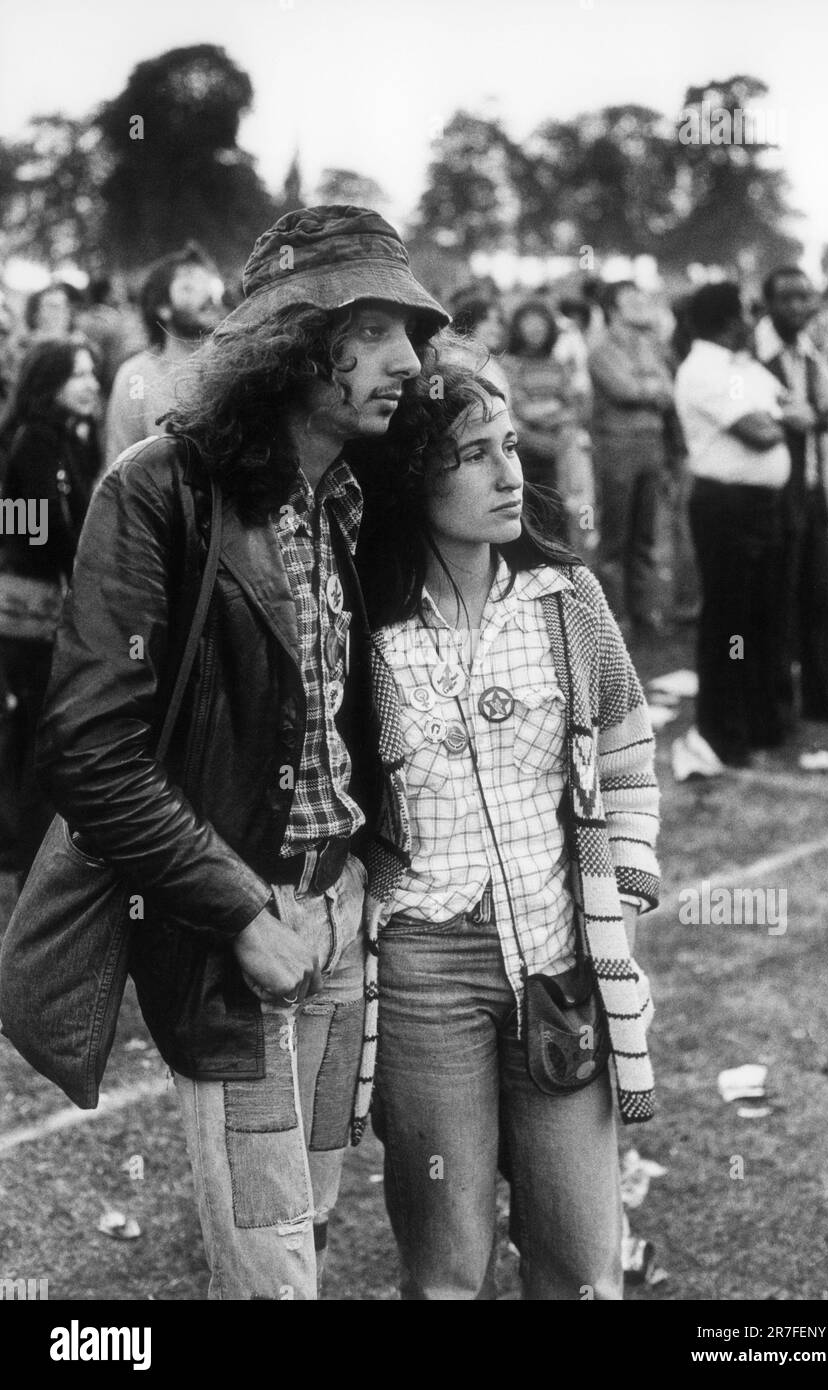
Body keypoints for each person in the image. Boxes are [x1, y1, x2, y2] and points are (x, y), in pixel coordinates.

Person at [34, 206, 449, 1301]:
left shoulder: (356, 494)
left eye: (413, 330)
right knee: (274, 1274)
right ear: (290, 343)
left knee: (300, 1230)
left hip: (343, 915)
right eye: (372, 328)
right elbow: (91, 749)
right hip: (237, 942)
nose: (407, 359)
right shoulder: (157, 488)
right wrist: (239, 912)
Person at [353, 344, 660, 1300]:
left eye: (512, 445)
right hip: (422, 972)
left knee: (578, 1259)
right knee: (448, 1267)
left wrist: (633, 874)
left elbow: (626, 736)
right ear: (412, 477)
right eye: (474, 454)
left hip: (559, 957)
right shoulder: (364, 618)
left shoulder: (565, 597)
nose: (510, 473)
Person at [673, 283, 791, 774]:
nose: (753, 319)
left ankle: (760, 721)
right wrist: (788, 418)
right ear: (727, 320)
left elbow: (786, 406)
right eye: (746, 312)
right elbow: (760, 433)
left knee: (763, 614)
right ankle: (724, 730)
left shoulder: (742, 367)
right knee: (729, 623)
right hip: (726, 507)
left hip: (761, 504)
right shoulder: (703, 368)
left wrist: (781, 413)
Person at [0, 336, 102, 880]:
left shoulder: (65, 439)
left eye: (92, 373)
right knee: (34, 735)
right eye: (77, 375)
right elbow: (27, 530)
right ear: (49, 383)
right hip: (28, 618)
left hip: (44, 612)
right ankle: (26, 856)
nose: (90, 384)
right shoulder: (31, 443)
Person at [756, 266, 828, 723]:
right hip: (774, 494)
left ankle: (824, 693)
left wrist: (815, 415)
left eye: (805, 298)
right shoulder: (754, 357)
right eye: (788, 298)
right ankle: (778, 703)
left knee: (819, 596)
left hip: (814, 490)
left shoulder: (811, 354)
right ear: (769, 304)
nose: (799, 307)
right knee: (776, 602)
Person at [588, 281, 675, 635]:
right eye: (631, 299)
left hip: (651, 446)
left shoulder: (653, 345)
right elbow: (622, 389)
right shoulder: (601, 349)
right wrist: (649, 386)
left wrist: (648, 387)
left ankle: (645, 612)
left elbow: (669, 392)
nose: (642, 303)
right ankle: (614, 617)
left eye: (643, 296)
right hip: (617, 448)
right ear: (612, 309)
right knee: (615, 536)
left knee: (646, 535)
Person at [102, 242, 225, 471]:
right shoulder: (136, 376)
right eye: (189, 288)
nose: (207, 296)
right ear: (163, 307)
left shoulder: (237, 367)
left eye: (209, 286)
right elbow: (119, 470)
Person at [502, 298, 587, 545]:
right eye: (528, 324)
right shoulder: (510, 365)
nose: (535, 329)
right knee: (527, 525)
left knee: (557, 525)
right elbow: (521, 410)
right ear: (517, 329)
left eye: (540, 324)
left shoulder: (557, 365)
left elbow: (574, 408)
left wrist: (549, 412)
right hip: (523, 457)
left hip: (557, 459)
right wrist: (554, 408)